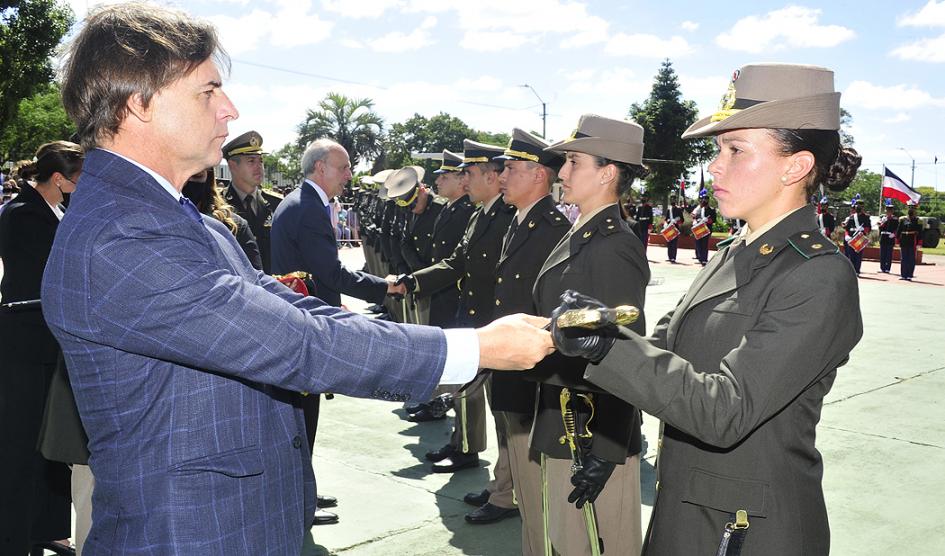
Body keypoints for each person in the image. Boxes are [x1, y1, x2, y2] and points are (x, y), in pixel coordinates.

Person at [43, 5, 552, 553]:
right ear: (137, 103)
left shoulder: (167, 216)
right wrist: (473, 349)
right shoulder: (122, 235)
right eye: (208, 91)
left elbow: (294, 312)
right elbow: (295, 342)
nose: (229, 109)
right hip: (191, 534)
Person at [554, 63, 864, 555]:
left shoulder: (818, 274)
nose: (715, 166)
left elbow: (725, 409)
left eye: (735, 150)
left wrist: (607, 350)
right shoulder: (735, 251)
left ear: (796, 166)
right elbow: (663, 348)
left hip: (748, 530)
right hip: (687, 509)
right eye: (717, 150)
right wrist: (575, 337)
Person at [525, 114, 650, 556]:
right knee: (566, 541)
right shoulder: (582, 232)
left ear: (607, 172)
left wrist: (608, 448)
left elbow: (626, 350)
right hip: (563, 421)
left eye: (574, 162)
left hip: (591, 433)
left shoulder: (614, 246)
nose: (562, 172)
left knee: (602, 545)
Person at [270, 138, 408, 525]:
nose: (349, 175)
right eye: (343, 167)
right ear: (320, 169)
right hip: (305, 327)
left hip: (301, 319)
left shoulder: (301, 202)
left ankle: (303, 490)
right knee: (303, 414)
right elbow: (331, 272)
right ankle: (299, 502)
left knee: (302, 413)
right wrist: (384, 286)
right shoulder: (309, 209)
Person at [458, 129, 572, 537]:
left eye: (510, 169)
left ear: (539, 175)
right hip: (509, 357)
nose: (501, 176)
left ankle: (520, 510)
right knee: (509, 435)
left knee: (529, 465)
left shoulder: (551, 228)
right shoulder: (521, 221)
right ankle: (505, 491)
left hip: (530, 366)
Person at [399, 139, 516, 474]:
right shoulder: (482, 215)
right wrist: (411, 281)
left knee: (505, 414)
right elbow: (455, 262)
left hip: (492, 323)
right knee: (472, 392)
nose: (465, 181)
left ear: (491, 177)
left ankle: (502, 484)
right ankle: (494, 476)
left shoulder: (506, 217)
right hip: (473, 318)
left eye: (470, 174)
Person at [1, 141, 84, 556]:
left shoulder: (57, 211)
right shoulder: (21, 214)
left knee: (51, 444)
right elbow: (56, 269)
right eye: (78, 177)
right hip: (23, 346)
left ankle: (47, 527)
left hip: (50, 343)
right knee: (19, 445)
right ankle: (13, 537)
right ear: (59, 179)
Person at [403, 151, 476, 423]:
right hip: (440, 291)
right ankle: (437, 402)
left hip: (452, 293)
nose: (439, 182)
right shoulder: (451, 207)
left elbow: (457, 262)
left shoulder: (466, 211)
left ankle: (442, 408)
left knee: (454, 360)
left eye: (445, 177)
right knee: (441, 353)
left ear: (461, 180)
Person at [221, 130, 282, 273]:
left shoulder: (276, 203)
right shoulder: (219, 206)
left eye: (260, 161)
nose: (259, 166)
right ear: (232, 165)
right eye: (251, 161)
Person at [182, 167, 263, 269]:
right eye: (181, 177)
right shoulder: (158, 224)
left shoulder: (233, 226)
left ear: (208, 178)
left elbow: (255, 277)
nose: (186, 183)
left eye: (196, 175)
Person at [842, 194, 870, 275]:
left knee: (858, 255)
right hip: (851, 237)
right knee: (851, 255)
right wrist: (847, 235)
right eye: (857, 205)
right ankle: (852, 270)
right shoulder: (851, 217)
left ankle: (857, 270)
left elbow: (868, 228)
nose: (858, 207)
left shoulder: (866, 217)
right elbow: (847, 229)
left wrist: (863, 229)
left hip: (860, 238)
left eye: (860, 206)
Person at [691, 188, 716, 265]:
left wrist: (707, 220)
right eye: (703, 199)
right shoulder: (698, 209)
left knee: (704, 244)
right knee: (698, 244)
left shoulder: (711, 210)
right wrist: (698, 220)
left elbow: (713, 220)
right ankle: (700, 257)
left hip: (706, 229)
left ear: (708, 201)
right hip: (699, 229)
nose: (704, 201)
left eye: (706, 199)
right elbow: (694, 216)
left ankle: (704, 259)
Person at [898, 201, 922, 281]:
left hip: (912, 241)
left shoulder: (917, 220)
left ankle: (909, 275)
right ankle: (903, 275)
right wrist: (897, 240)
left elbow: (920, 232)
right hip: (904, 240)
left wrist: (919, 243)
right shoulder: (903, 219)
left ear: (915, 210)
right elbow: (899, 230)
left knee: (911, 259)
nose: (911, 209)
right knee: (903, 258)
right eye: (910, 207)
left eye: (913, 208)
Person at [878, 199, 899, 274]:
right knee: (882, 253)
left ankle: (887, 268)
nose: (888, 212)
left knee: (889, 254)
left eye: (890, 210)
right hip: (883, 236)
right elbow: (880, 227)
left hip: (890, 237)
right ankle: (882, 267)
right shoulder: (883, 218)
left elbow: (897, 228)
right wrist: (883, 221)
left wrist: (894, 234)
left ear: (892, 211)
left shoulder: (895, 219)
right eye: (887, 210)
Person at [663, 194, 685, 263]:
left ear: (675, 200)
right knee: (669, 243)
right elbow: (666, 219)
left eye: (673, 199)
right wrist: (668, 221)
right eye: (671, 199)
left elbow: (682, 220)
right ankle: (669, 256)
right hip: (669, 227)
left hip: (675, 228)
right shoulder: (668, 209)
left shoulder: (678, 209)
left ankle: (673, 257)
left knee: (674, 243)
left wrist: (676, 221)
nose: (672, 200)